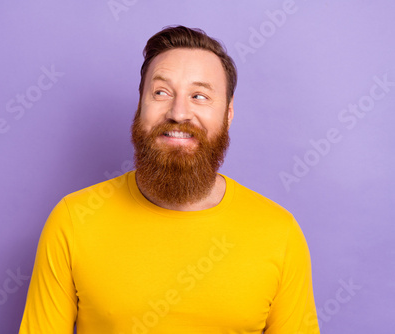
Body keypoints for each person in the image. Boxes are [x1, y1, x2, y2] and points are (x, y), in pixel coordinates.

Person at [19, 25, 320, 334]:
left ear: (228, 115)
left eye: (199, 96)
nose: (179, 113)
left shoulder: (279, 233)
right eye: (161, 92)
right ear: (140, 106)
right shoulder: (73, 220)